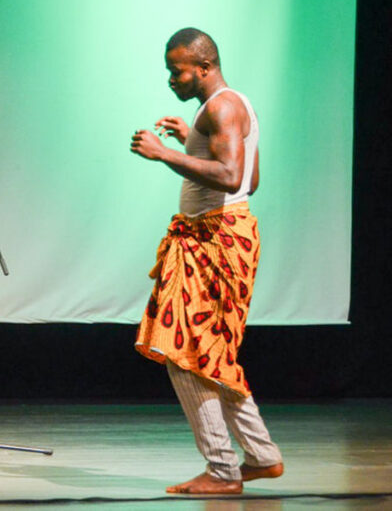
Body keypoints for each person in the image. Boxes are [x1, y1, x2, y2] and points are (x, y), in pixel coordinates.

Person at [130, 28, 283, 494]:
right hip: (217, 236)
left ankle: (222, 470)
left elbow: (232, 175)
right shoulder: (224, 107)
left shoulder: (221, 107)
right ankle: (261, 456)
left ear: (204, 67)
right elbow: (251, 181)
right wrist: (191, 140)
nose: (171, 79)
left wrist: (164, 154)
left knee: (184, 353)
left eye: (177, 71)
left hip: (214, 240)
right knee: (210, 353)